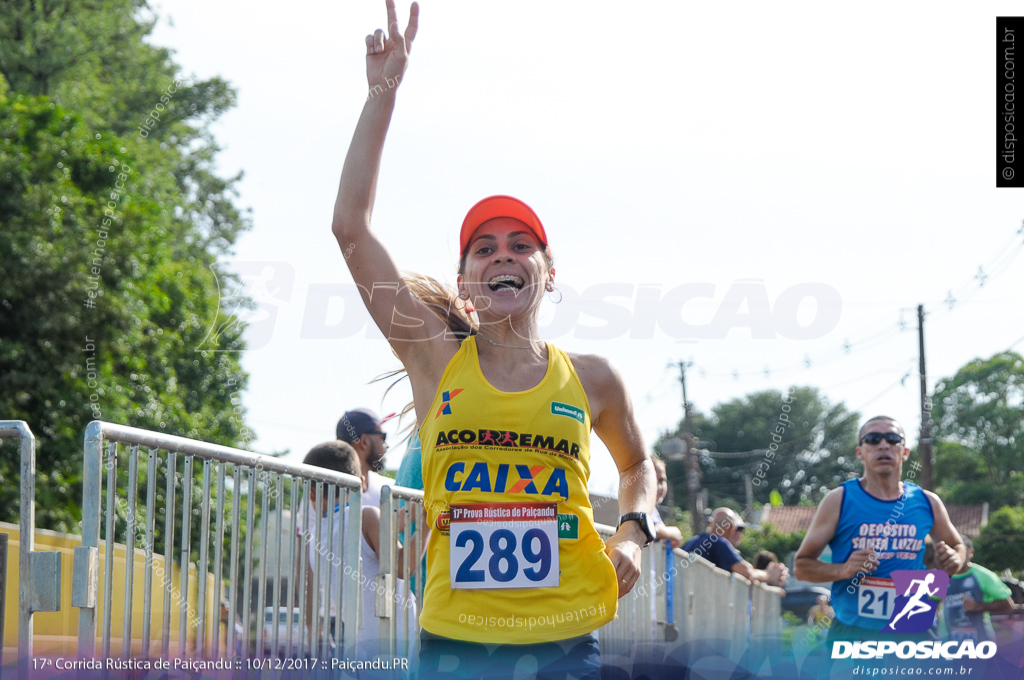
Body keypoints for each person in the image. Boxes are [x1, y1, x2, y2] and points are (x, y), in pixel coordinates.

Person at [330, 3, 657, 676]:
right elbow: (351, 228)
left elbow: (636, 467)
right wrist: (381, 96)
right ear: (465, 279)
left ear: (548, 272)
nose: (502, 255)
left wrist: (632, 533)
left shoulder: (594, 378)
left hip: (566, 635)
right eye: (483, 248)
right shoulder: (433, 357)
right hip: (457, 636)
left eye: (520, 245)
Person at [793, 415, 966, 642]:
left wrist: (955, 558)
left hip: (915, 629)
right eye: (873, 439)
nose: (883, 445)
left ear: (905, 452)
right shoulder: (839, 500)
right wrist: (844, 570)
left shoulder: (927, 501)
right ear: (860, 452)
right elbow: (801, 567)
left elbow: (958, 546)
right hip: (855, 632)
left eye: (893, 439)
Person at [297, 440, 418, 657]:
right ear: (362, 483)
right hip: (401, 644)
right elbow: (403, 567)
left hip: (361, 649)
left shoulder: (316, 537)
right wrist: (429, 521)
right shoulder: (367, 517)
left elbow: (375, 536)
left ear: (312, 494)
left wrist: (413, 510)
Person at [935, 536, 1014, 642]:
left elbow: (1008, 604)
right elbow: (932, 603)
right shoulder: (940, 577)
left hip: (980, 645)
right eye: (952, 550)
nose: (956, 555)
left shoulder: (984, 576)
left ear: (970, 553)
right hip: (948, 645)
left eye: (960, 550)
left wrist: (978, 606)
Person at [682, 508, 789, 585]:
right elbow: (747, 572)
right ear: (731, 528)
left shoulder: (690, 542)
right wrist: (769, 574)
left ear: (710, 523)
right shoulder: (719, 543)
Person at [336, 408, 392, 510]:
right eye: (383, 438)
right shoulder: (389, 489)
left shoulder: (320, 487)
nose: (387, 446)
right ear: (364, 442)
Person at [651, 457, 683, 548]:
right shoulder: (641, 508)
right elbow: (653, 530)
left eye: (661, 480)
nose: (659, 487)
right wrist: (673, 532)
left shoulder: (654, 510)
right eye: (653, 480)